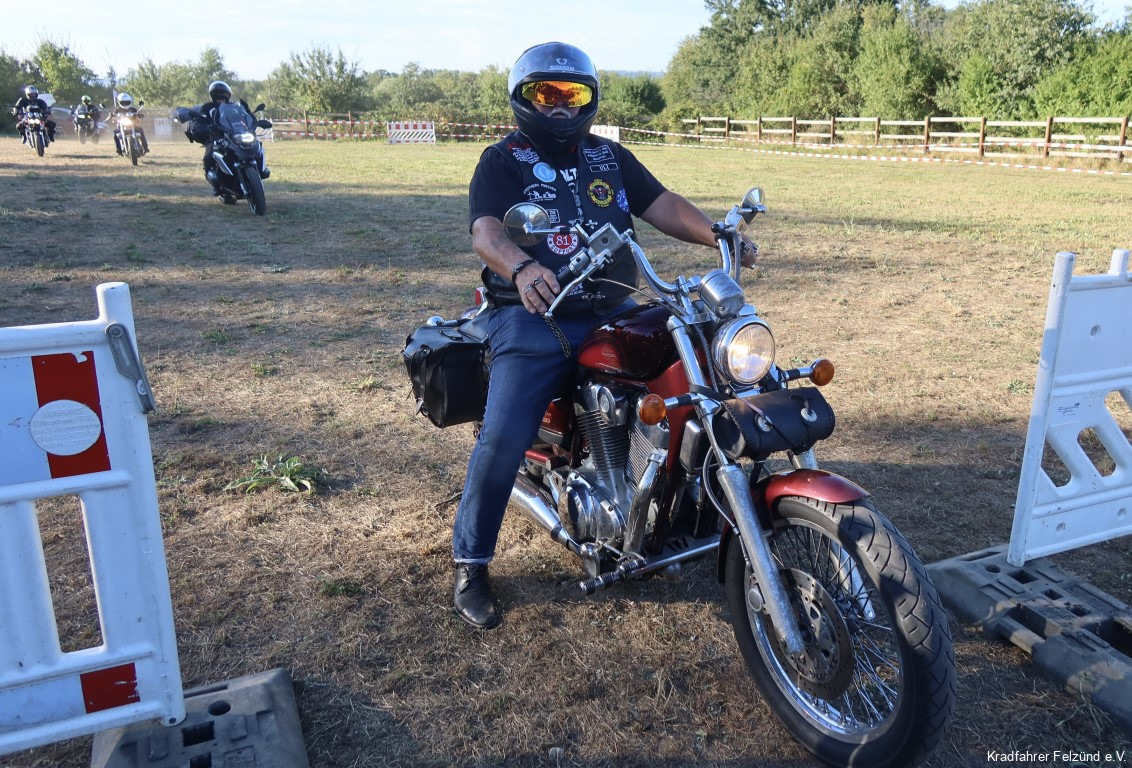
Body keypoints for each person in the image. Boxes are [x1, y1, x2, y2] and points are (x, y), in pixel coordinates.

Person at [451, 41, 757, 629]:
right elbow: (487, 233)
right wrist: (521, 267)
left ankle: (665, 508)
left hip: (614, 305)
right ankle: (471, 562)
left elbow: (660, 204)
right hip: (535, 313)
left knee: (693, 382)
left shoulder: (608, 156)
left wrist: (718, 234)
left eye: (573, 94)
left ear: (589, 99)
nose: (560, 106)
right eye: (546, 93)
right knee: (503, 437)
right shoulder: (502, 160)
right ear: (523, 99)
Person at [188, 80, 266, 195]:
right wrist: (202, 126)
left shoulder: (235, 107)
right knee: (209, 155)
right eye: (218, 97)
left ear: (228, 96)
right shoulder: (207, 108)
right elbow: (200, 119)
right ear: (213, 97)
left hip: (235, 134)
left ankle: (261, 170)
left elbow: (244, 116)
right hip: (217, 137)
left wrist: (254, 122)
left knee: (256, 146)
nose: (221, 99)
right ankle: (213, 180)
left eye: (223, 96)